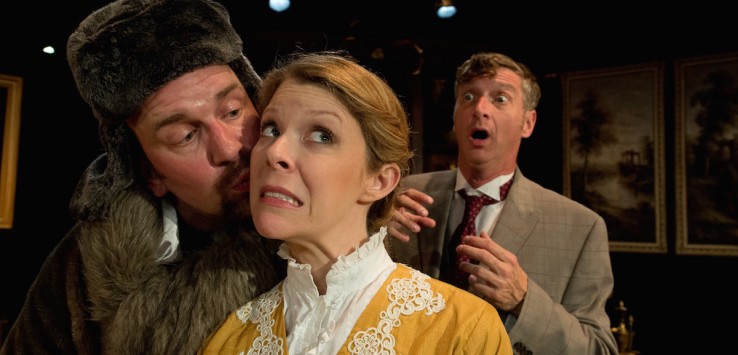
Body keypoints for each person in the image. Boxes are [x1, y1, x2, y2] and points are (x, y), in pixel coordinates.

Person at [0, 0, 281, 353]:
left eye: (234, 111)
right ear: (150, 172)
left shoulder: (335, 239)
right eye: (186, 135)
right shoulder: (80, 270)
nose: (229, 148)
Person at [199, 51, 513, 354]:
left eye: (321, 135)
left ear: (379, 181)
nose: (275, 152)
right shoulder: (228, 339)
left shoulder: (463, 331)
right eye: (271, 129)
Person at [385, 52, 620, 355]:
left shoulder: (581, 228)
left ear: (528, 122)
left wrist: (523, 301)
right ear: (454, 116)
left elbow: (599, 350)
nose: (480, 109)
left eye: (500, 99)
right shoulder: (397, 197)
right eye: (468, 97)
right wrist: (367, 232)